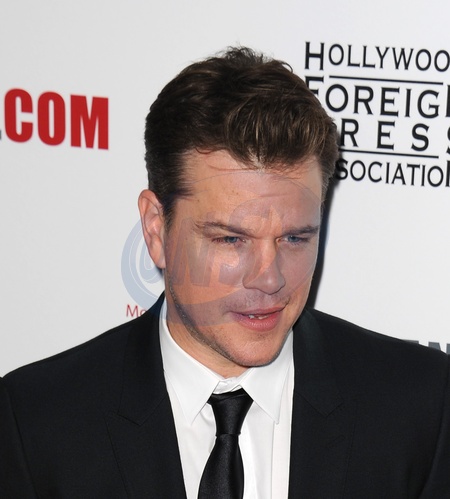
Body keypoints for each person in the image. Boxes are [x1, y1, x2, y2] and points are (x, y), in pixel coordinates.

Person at [0, 47, 449, 499]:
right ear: (156, 230)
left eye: (295, 238)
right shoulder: (34, 424)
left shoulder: (422, 408)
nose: (269, 279)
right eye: (231, 239)